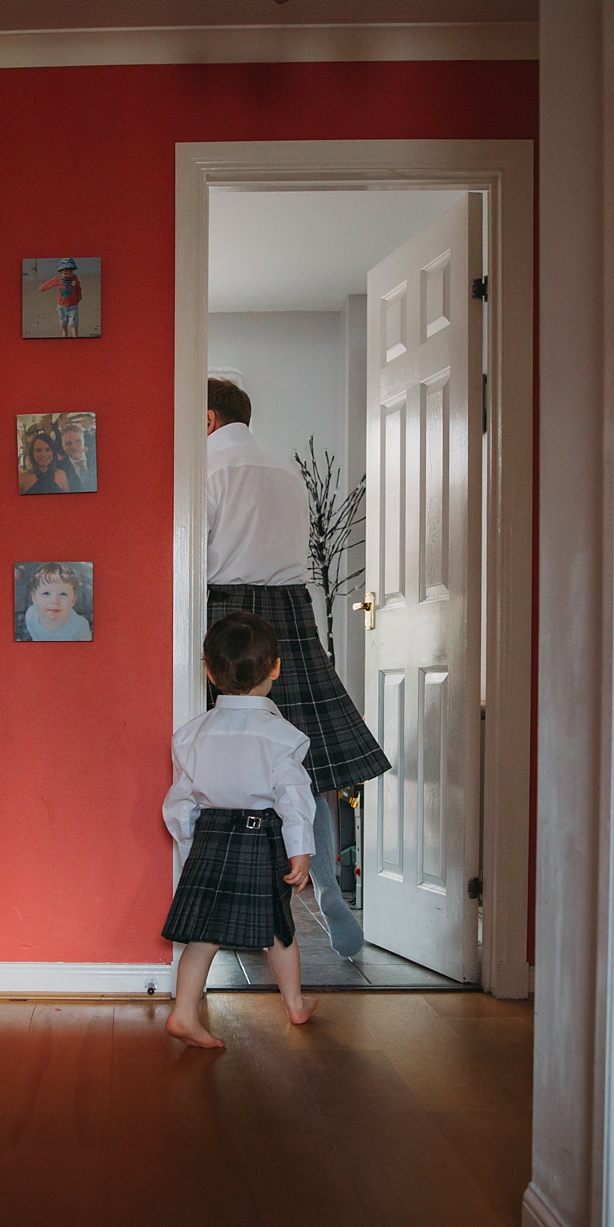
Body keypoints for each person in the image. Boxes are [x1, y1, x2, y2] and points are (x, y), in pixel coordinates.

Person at [204, 378, 387, 960]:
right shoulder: (285, 473)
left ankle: (236, 904)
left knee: (224, 760)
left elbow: (194, 553)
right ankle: (329, 890)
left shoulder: (206, 472)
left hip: (224, 611)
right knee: (307, 760)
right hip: (290, 612)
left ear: (207, 420)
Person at [162, 611, 317, 1047]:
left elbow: (179, 803)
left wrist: (191, 847)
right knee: (278, 926)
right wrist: (299, 849)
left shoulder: (190, 736)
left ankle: (183, 1013)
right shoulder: (283, 737)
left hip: (209, 835)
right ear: (275, 668)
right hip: (260, 836)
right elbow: (294, 800)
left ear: (209, 672)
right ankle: (295, 1003)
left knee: (204, 932)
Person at [18, 562, 92, 641]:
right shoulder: (31, 615)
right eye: (46, 593)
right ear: (34, 598)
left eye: (63, 594)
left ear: (73, 600)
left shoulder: (80, 625)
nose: (54, 601)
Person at [37, 257, 83, 337]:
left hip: (73, 306)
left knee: (74, 324)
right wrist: (42, 288)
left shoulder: (74, 278)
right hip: (61, 306)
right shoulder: (57, 279)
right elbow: (49, 283)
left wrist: (79, 296)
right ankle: (64, 333)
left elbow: (78, 288)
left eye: (70, 273)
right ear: (60, 272)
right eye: (65, 273)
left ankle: (75, 336)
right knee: (63, 322)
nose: (68, 275)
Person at [59, 421, 95, 492]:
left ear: (84, 441)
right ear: (63, 446)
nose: (74, 447)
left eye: (78, 441)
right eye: (68, 443)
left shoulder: (96, 459)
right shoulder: (59, 468)